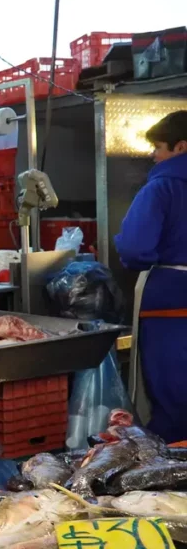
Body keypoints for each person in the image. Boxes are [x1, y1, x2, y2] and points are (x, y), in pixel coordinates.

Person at [115, 110, 187, 443]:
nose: (154, 156)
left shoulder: (162, 187)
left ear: (181, 147)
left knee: (173, 406)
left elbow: (134, 247)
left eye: (159, 147)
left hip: (171, 305)